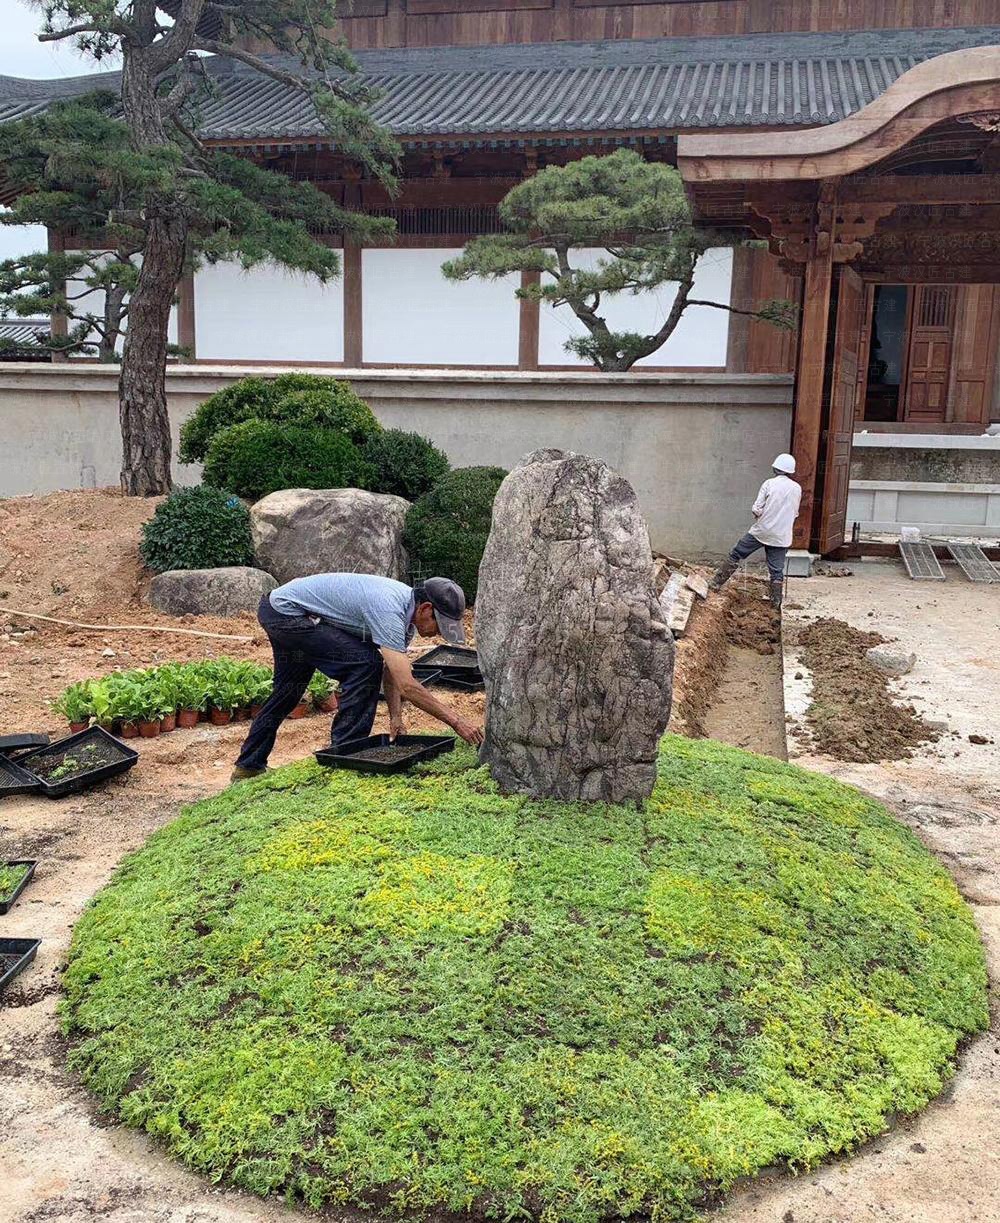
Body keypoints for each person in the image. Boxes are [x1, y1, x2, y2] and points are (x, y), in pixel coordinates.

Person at [232, 573, 484, 781]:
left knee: (288, 692)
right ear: (426, 608)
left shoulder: (405, 617)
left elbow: (392, 672)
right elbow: (408, 685)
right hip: (288, 614)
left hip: (279, 610)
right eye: (439, 624)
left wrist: (395, 719)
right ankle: (347, 756)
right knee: (364, 663)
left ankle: (248, 766)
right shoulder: (389, 609)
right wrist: (457, 722)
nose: (438, 633)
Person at [709, 453, 802, 608]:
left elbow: (757, 509)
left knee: (737, 553)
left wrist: (760, 515)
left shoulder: (769, 484)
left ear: (775, 468)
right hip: (782, 536)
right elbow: (795, 512)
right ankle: (775, 604)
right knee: (776, 572)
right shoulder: (797, 488)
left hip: (762, 531)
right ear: (791, 471)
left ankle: (715, 583)